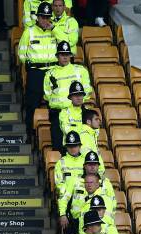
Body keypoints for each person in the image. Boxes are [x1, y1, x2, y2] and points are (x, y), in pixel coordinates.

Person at [18, 2, 58, 135]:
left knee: (54, 104)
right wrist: (30, 66)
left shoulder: (55, 31)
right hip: (36, 71)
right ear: (37, 17)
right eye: (43, 17)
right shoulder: (29, 32)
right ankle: (30, 134)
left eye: (48, 17)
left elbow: (66, 44)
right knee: (32, 105)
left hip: (52, 71)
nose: (45, 20)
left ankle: (52, 134)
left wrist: (54, 29)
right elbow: (22, 53)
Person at [44, 41, 91, 150]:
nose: (65, 57)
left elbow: (87, 91)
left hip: (77, 112)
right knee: (58, 146)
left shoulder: (80, 71)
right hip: (58, 113)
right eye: (62, 54)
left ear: (70, 55)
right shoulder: (50, 74)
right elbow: (47, 95)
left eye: (67, 54)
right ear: (57, 56)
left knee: (82, 144)